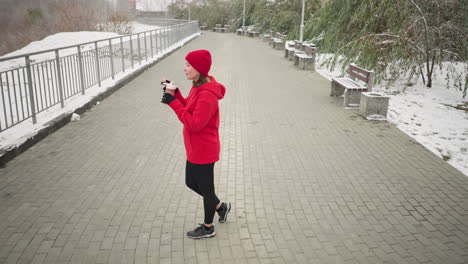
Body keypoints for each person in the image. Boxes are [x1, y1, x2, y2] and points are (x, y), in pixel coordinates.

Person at [160, 49, 231, 239]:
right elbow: (189, 108)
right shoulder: (197, 86)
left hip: (204, 150)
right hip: (194, 148)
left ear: (198, 69)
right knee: (190, 182)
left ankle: (208, 228)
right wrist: (176, 93)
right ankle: (220, 207)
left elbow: (195, 123)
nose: (184, 69)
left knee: (207, 190)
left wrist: (173, 103)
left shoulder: (207, 95)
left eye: (188, 65)